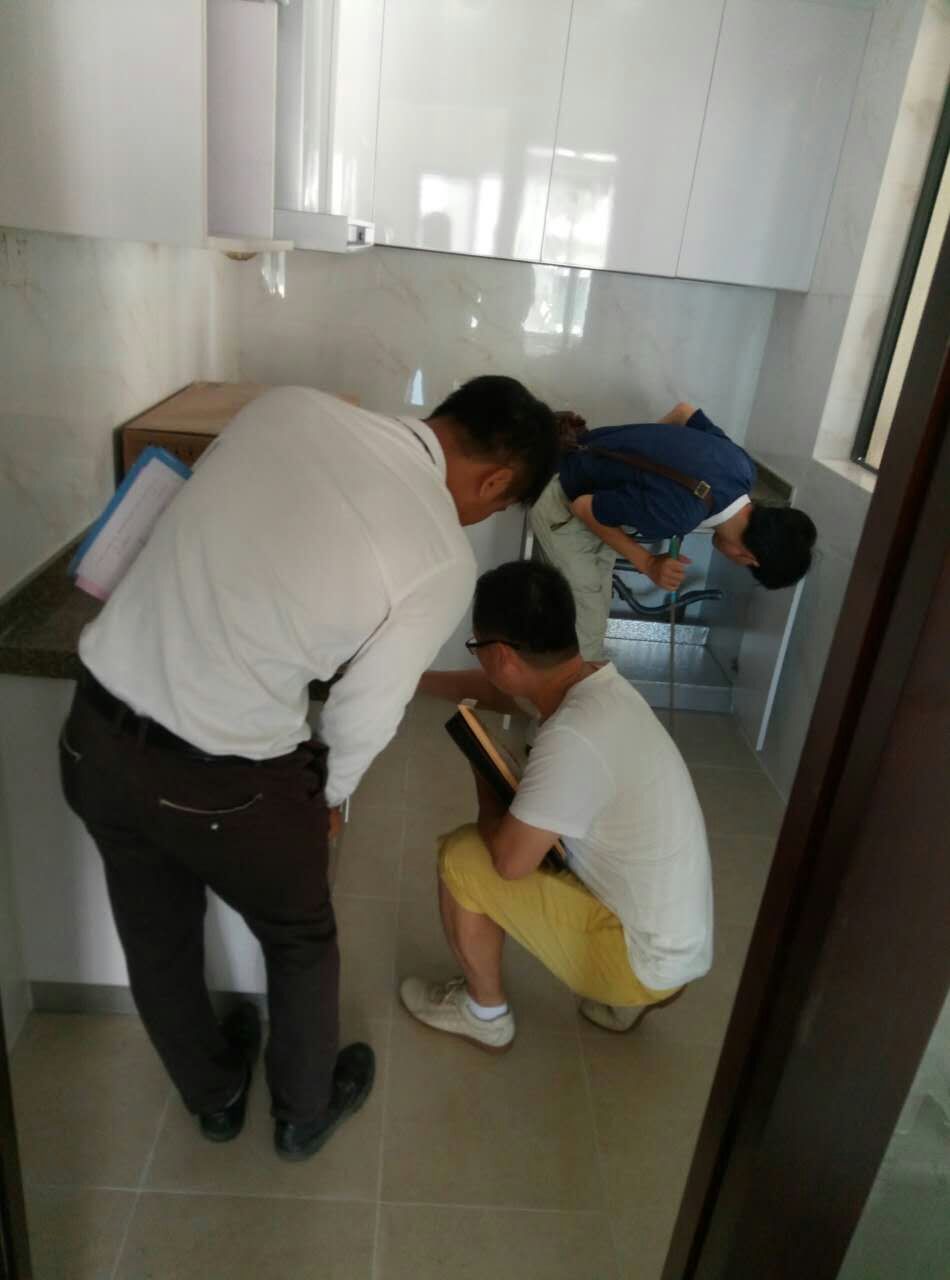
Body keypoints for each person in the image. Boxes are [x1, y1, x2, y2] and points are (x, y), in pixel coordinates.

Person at [59, 376, 558, 1159]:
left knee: (155, 934)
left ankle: (213, 1096)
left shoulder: (285, 405)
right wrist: (330, 795)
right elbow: (366, 708)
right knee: (299, 937)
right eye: (497, 506)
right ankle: (303, 1110)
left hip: (93, 733)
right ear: (495, 481)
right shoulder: (441, 557)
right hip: (222, 774)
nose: (483, 516)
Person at [400, 560, 713, 1051]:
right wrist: (408, 680)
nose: (479, 661)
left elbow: (509, 863)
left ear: (503, 656)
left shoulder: (572, 736)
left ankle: (484, 1014)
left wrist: (484, 774)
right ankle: (625, 1001)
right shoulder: (592, 685)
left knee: (464, 857)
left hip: (642, 961)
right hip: (677, 947)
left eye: (478, 648)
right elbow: (489, 690)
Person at [531, 402, 817, 660]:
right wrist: (648, 563)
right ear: (750, 558)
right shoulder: (680, 514)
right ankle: (558, 693)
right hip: (562, 497)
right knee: (586, 631)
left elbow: (684, 412)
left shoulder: (741, 467)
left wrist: (639, 461)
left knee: (593, 610)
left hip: (586, 483)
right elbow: (583, 508)